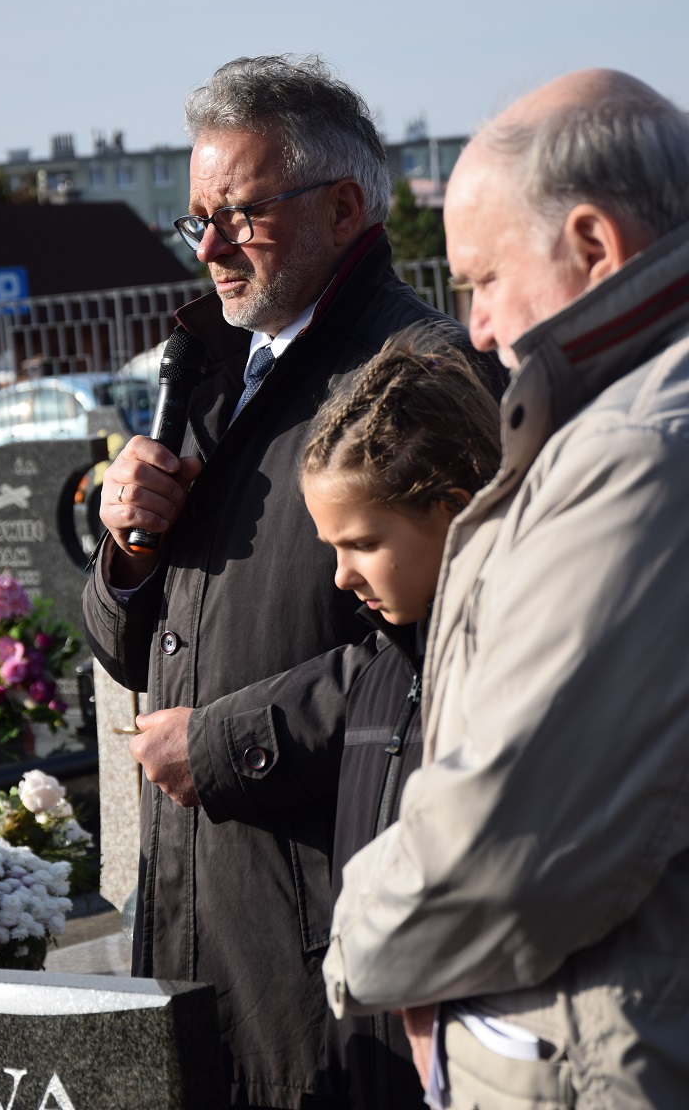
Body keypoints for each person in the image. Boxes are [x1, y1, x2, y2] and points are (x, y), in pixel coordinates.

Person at [82, 55, 495, 1109]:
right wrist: (125, 552)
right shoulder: (210, 370)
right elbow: (130, 643)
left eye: (241, 214)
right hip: (197, 918)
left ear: (343, 206)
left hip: (320, 932)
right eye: (197, 221)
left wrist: (219, 744)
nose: (211, 248)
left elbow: (450, 644)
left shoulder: (419, 374)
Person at [323, 68, 689, 1109]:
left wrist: (356, 946)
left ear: (592, 245)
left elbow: (512, 834)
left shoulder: (635, 455)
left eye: (481, 280)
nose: (475, 328)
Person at [160, 327, 500, 1108]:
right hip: (374, 1059)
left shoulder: (507, 668)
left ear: (453, 511)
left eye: (363, 544)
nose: (342, 577)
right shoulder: (384, 673)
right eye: (330, 549)